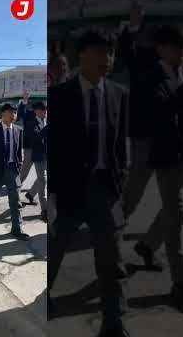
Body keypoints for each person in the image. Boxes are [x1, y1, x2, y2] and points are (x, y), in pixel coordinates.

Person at [47, 29, 130, 337]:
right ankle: (45, 298)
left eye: (109, 54)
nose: (105, 60)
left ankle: (113, 324)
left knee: (111, 261)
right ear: (81, 56)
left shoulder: (118, 94)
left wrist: (120, 180)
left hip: (105, 189)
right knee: (55, 250)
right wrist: (52, 194)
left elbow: (120, 144)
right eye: (98, 53)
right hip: (69, 191)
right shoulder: (59, 97)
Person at [120, 10, 183, 309]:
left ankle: (147, 245)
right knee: (137, 198)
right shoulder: (147, 69)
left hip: (177, 150)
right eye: (177, 47)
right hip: (152, 147)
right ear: (162, 47)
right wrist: (132, 27)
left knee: (175, 212)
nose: (181, 52)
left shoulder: (180, 73)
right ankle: (179, 283)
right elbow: (124, 56)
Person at [0, 103, 28, 240]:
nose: (14, 115)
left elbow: (19, 151)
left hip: (13, 170)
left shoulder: (18, 130)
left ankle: (17, 228)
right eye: (11, 113)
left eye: (15, 113)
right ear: (3, 114)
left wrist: (19, 166)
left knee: (16, 201)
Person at [25, 101, 48, 222]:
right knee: (42, 181)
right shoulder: (31, 123)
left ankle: (30, 194)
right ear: (36, 111)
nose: (45, 111)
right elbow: (36, 137)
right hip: (38, 156)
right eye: (42, 110)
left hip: (46, 155)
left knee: (41, 179)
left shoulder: (45, 120)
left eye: (45, 109)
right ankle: (44, 210)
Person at [17, 92, 37, 196]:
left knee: (42, 174)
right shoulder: (29, 115)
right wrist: (24, 102)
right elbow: (20, 115)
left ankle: (32, 192)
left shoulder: (44, 118)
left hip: (40, 148)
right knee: (26, 167)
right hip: (29, 146)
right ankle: (17, 184)